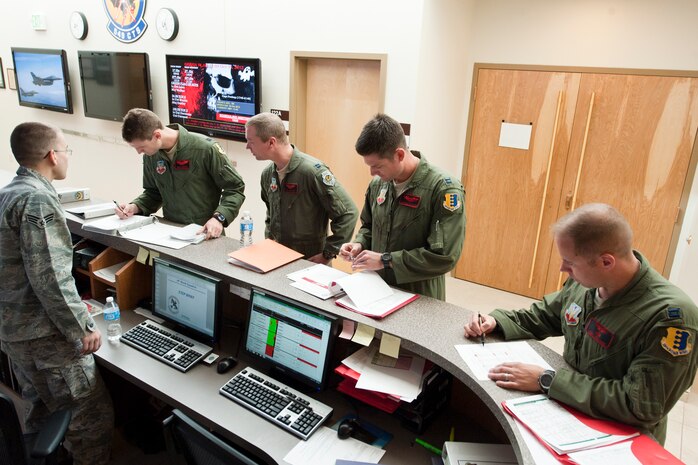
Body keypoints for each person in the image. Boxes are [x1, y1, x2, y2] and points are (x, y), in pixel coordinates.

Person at [463, 203, 698, 445]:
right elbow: (546, 315)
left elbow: (639, 404)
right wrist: (497, 321)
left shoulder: (671, 319)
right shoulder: (588, 282)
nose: (562, 269)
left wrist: (547, 380)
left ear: (607, 262)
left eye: (569, 262)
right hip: (570, 412)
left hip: (619, 438)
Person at [0, 122, 114, 464]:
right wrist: (81, 325)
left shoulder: (11, 191)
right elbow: (49, 275)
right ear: (52, 155)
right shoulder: (37, 200)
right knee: (91, 420)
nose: (67, 157)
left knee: (41, 407)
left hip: (15, 330)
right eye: (66, 150)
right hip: (44, 337)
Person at [339, 113, 466, 300]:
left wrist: (385, 261)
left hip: (420, 295)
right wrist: (359, 243)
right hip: (376, 289)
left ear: (399, 155)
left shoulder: (444, 189)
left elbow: (444, 257)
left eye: (377, 166)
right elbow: (369, 225)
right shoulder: (378, 184)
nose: (372, 172)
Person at [245, 112, 358, 263]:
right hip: (276, 259)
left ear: (271, 142)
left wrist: (328, 253)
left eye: (251, 141)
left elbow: (348, 213)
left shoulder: (312, 172)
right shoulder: (268, 174)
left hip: (309, 262)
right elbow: (271, 215)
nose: (247, 146)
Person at [117, 108, 245, 240]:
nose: (139, 152)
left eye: (141, 147)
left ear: (157, 135)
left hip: (204, 233)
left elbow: (235, 188)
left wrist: (219, 218)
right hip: (170, 233)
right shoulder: (151, 156)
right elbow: (153, 193)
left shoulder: (204, 149)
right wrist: (135, 207)